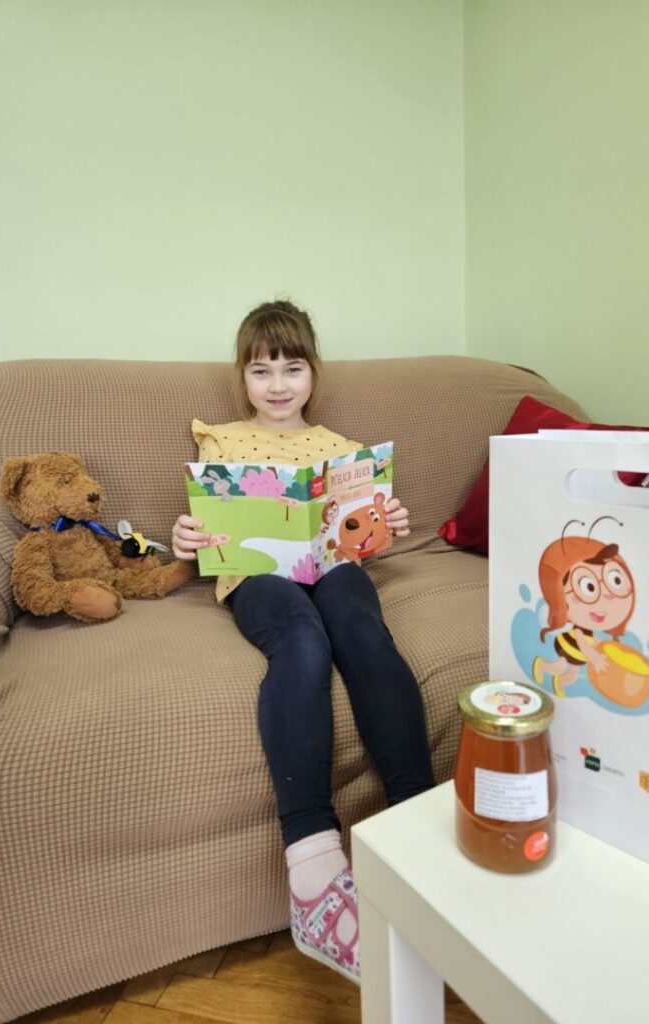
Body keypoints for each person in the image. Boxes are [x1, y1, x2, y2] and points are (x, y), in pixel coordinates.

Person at [172, 300, 435, 984]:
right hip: (259, 575)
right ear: (242, 376)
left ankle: (419, 822)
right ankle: (314, 866)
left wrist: (387, 521)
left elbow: (360, 531)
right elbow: (207, 527)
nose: (278, 384)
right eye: (261, 370)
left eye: (292, 368)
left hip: (334, 568)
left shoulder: (340, 448)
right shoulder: (221, 441)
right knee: (302, 641)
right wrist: (187, 535)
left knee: (361, 629)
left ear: (314, 372)